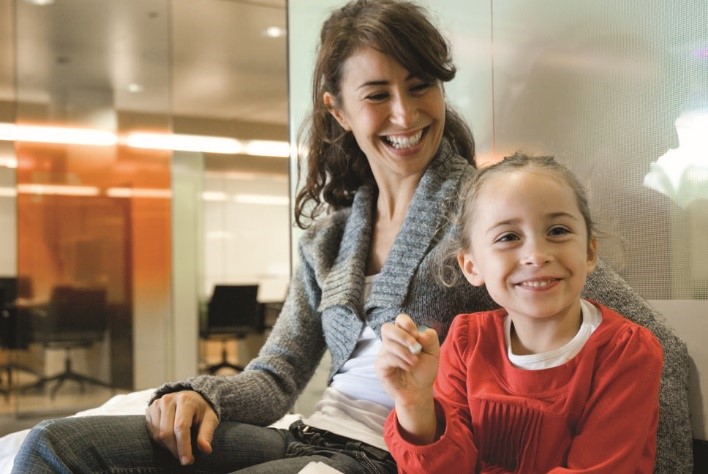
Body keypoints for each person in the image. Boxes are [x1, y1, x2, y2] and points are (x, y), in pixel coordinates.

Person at [12, 1, 691, 473]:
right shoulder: (331, 238)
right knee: (49, 450)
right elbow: (276, 377)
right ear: (336, 109)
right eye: (376, 94)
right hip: (302, 435)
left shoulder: (493, 217)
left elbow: (654, 345)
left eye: (420, 86)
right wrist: (198, 395)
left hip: (391, 454)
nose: (405, 113)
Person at [377, 153, 663, 472]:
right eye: (508, 237)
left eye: (557, 231)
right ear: (471, 266)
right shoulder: (465, 341)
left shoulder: (628, 352)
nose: (536, 255)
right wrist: (415, 403)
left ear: (590, 251)